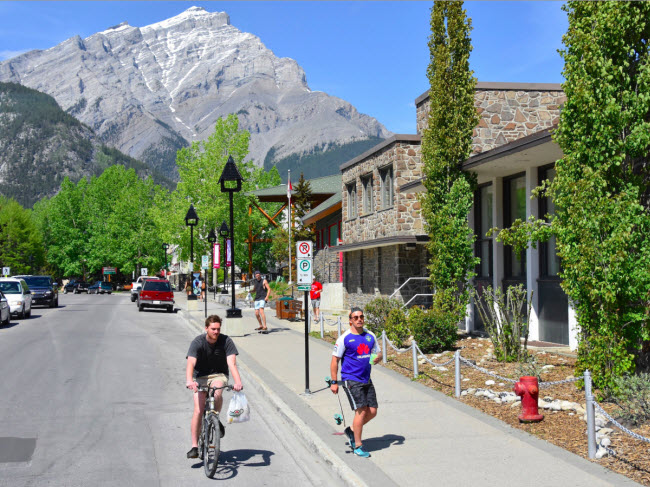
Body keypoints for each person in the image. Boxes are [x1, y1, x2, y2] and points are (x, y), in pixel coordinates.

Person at [185, 314, 243, 459]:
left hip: (219, 374)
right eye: (213, 329)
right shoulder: (197, 342)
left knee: (217, 392)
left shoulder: (226, 341)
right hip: (200, 377)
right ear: (206, 328)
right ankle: (194, 447)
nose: (216, 332)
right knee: (198, 410)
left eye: (218, 329)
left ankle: (215, 418)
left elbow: (232, 363)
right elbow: (191, 363)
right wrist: (189, 380)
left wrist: (238, 382)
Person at [330, 307, 382, 458]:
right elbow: (334, 360)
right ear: (350, 320)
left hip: (366, 378)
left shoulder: (369, 335)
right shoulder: (344, 338)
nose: (359, 319)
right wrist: (334, 381)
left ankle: (352, 430)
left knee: (372, 411)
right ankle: (357, 445)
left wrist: (376, 358)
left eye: (361, 317)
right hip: (351, 379)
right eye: (356, 317)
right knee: (361, 411)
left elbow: (376, 353)